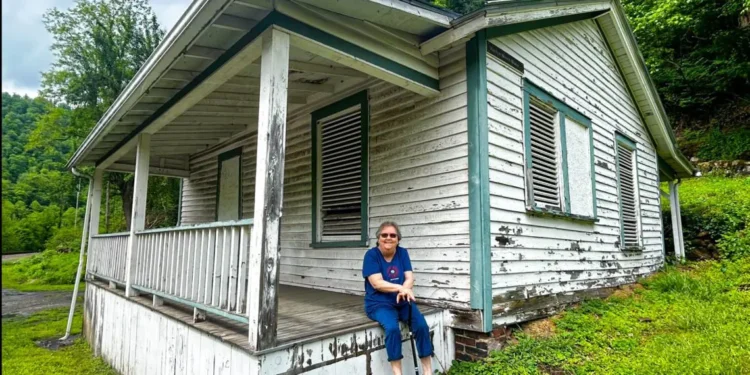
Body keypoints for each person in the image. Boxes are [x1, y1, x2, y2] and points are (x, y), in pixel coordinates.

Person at [362, 221, 433, 375]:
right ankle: (397, 372)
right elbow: (377, 283)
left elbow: (409, 277)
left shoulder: (402, 253)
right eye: (384, 235)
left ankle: (428, 371)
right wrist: (401, 288)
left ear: (398, 239)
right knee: (393, 329)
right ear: (378, 238)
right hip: (378, 303)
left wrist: (406, 288)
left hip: (401, 301)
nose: (388, 238)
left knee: (421, 326)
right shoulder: (371, 255)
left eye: (393, 235)